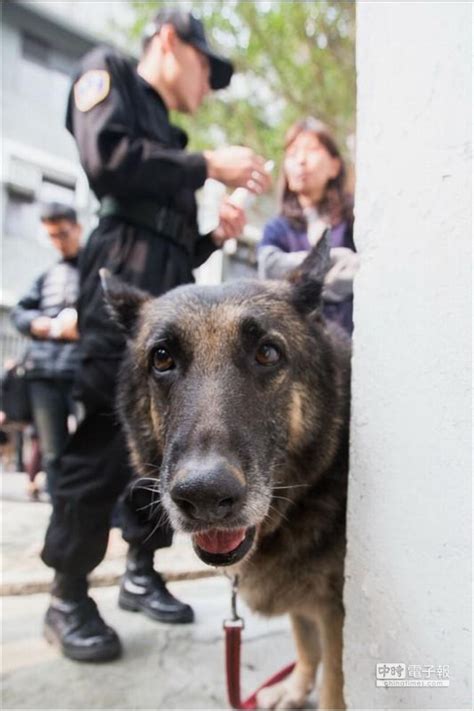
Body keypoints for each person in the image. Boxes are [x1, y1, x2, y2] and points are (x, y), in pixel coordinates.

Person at [40, 8, 272, 663]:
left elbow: (174, 249)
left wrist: (212, 239)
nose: (208, 89)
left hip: (171, 303)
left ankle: (141, 572)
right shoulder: (104, 73)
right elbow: (106, 159)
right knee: (100, 446)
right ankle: (66, 593)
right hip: (117, 299)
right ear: (170, 43)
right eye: (207, 70)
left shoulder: (169, 134)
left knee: (162, 444)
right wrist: (205, 166)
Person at [258, 117, 358, 334]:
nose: (300, 160)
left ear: (334, 165)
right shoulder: (277, 228)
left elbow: (368, 270)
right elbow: (269, 269)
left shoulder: (354, 220)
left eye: (311, 150)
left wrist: (300, 280)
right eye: (292, 154)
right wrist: (340, 260)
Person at [10, 203, 81, 500]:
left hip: (82, 370)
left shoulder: (93, 270)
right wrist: (39, 324)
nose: (58, 241)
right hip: (43, 370)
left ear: (77, 228)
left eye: (63, 233)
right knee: (51, 449)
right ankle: (60, 507)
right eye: (51, 236)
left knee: (92, 444)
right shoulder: (47, 275)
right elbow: (19, 313)